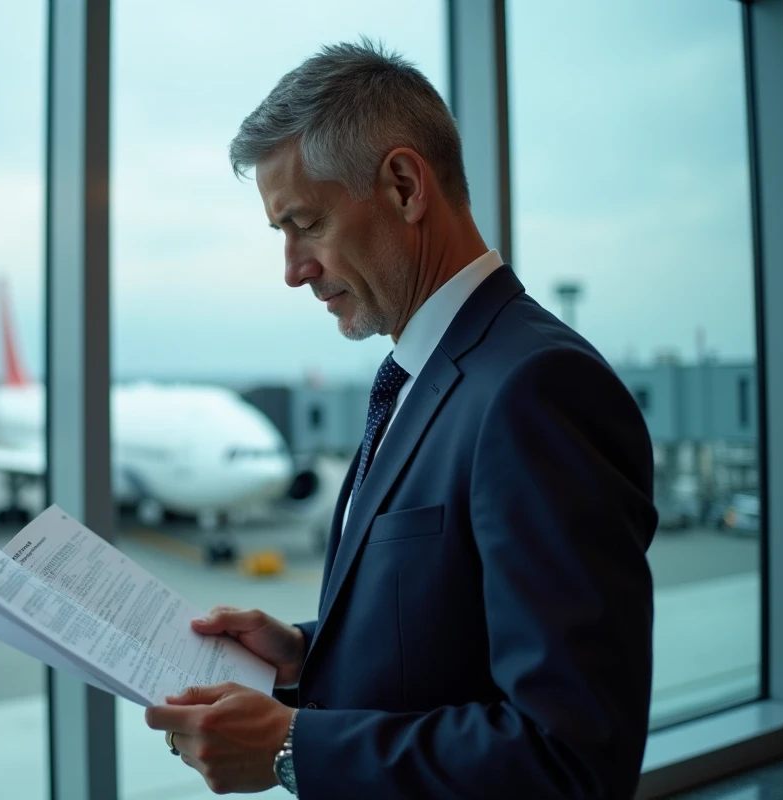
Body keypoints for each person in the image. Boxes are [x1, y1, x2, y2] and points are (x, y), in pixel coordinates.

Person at [144, 39, 657, 799]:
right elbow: (454, 637)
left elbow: (572, 758)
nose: (292, 269)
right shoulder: (428, 374)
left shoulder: (537, 388)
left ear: (405, 186)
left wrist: (294, 749)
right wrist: (301, 657)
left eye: (305, 223)